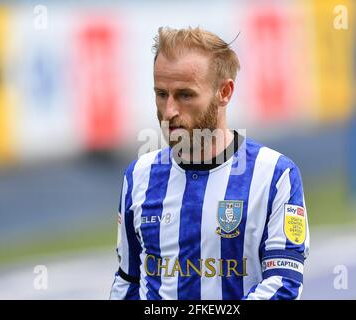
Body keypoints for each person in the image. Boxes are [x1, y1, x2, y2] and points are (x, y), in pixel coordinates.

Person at [110, 26, 310, 300]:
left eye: (185, 95)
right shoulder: (138, 177)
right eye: (161, 94)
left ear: (224, 92)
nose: (169, 111)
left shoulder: (275, 175)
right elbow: (128, 280)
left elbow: (283, 286)